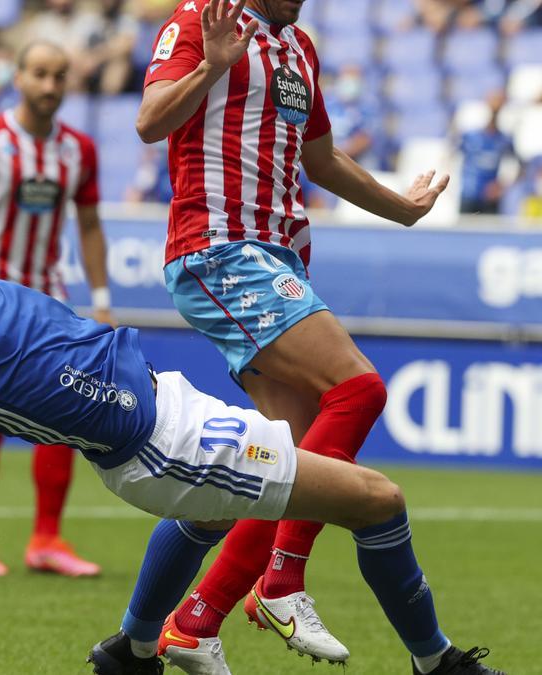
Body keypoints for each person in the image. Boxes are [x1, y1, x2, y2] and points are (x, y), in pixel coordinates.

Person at [0, 153, 505, 675]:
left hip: (163, 405)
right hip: (162, 442)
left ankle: (134, 649)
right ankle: (437, 660)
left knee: (207, 518)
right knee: (378, 499)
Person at [136, 0, 450, 670]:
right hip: (219, 248)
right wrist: (210, 68)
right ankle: (280, 579)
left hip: (276, 258)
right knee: (359, 389)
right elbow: (149, 121)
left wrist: (403, 209)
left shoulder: (298, 49)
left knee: (293, 464)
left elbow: (323, 159)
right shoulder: (198, 21)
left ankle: (194, 621)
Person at [0, 41, 113, 578]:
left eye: (59, 76)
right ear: (18, 77)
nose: (49, 86)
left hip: (48, 299)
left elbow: (88, 226)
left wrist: (102, 299)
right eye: (39, 74)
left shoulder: (79, 149)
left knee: (62, 419)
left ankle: (47, 540)